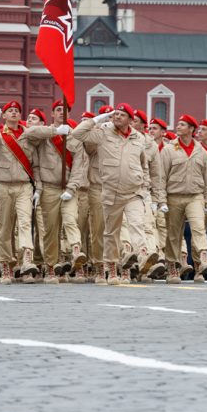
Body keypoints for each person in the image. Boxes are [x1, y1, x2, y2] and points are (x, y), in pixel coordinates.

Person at [70, 104, 159, 285]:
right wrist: (97, 119)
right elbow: (77, 134)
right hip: (111, 192)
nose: (117, 117)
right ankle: (111, 268)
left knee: (136, 224)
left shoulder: (139, 138)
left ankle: (142, 255)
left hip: (134, 192)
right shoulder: (103, 134)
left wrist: (144, 187)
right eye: (115, 114)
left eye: (121, 115)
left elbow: (144, 165)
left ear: (130, 120)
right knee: (111, 233)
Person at [21, 101, 89, 283]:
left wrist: (71, 187)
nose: (62, 113)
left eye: (65, 110)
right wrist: (55, 132)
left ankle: (76, 250)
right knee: (50, 230)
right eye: (58, 110)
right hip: (49, 188)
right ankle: (51, 267)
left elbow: (79, 167)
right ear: (52, 114)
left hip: (68, 189)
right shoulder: (45, 134)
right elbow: (29, 133)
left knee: (70, 220)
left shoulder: (75, 137)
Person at [0, 102, 39, 284]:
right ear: (4, 116)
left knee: (24, 223)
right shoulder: (0, 135)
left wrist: (38, 186)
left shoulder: (28, 134)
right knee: (5, 227)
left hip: (24, 185)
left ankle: (27, 261)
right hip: (4, 186)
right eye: (10, 111)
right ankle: (5, 264)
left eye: (17, 110)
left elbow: (35, 163)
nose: (14, 113)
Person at [158, 114, 207, 283]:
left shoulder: (201, 151)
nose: (178, 126)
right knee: (174, 235)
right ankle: (173, 268)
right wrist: (161, 200)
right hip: (173, 197)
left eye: (182, 125)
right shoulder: (169, 149)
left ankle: (202, 260)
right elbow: (161, 176)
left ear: (191, 129)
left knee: (198, 228)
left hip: (195, 196)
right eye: (178, 124)